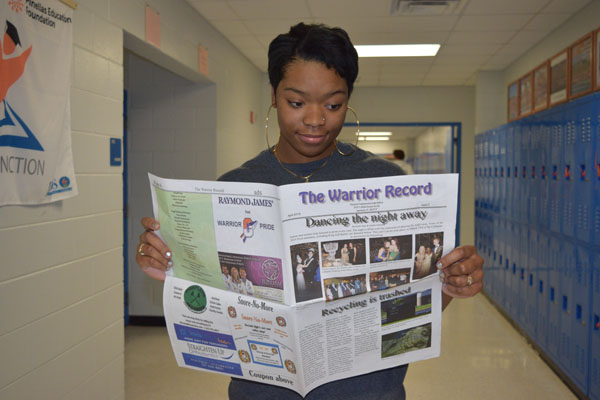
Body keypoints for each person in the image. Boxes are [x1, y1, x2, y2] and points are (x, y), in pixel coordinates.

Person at [135, 22, 484, 400]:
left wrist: (450, 283)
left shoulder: (384, 182)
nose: (316, 120)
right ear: (273, 95)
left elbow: (413, 307)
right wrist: (171, 267)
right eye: (296, 102)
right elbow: (213, 304)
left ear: (348, 99)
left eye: (333, 105)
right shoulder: (234, 187)